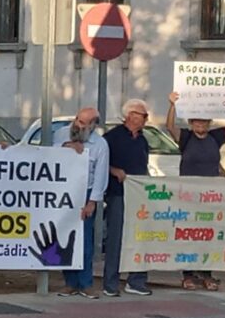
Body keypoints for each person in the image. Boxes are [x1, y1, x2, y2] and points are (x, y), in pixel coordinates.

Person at [166, 91, 225, 291]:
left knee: (208, 235)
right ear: (191, 123)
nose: (200, 126)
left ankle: (207, 274)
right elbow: (170, 127)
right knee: (189, 235)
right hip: (188, 197)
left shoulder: (216, 137)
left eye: (204, 123)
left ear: (209, 124)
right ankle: (189, 275)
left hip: (210, 197)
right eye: (197, 123)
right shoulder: (186, 137)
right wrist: (172, 105)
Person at [53, 108, 109, 299]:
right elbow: (46, 156)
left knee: (84, 241)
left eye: (84, 123)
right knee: (64, 237)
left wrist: (92, 202)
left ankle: (85, 283)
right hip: (63, 192)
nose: (79, 125)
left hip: (85, 193)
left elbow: (100, 176)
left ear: (93, 125)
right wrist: (66, 147)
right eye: (78, 120)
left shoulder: (100, 145)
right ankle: (69, 283)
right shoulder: (60, 134)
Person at [103, 99, 152, 296]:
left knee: (140, 237)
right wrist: (113, 170)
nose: (145, 119)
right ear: (130, 115)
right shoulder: (111, 138)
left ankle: (136, 280)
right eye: (143, 115)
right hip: (118, 195)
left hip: (139, 198)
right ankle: (110, 283)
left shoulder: (143, 140)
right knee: (116, 239)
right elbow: (98, 163)